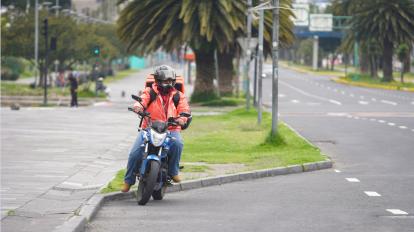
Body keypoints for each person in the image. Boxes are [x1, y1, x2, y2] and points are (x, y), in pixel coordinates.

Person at [121, 65, 191, 193]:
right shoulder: (150, 91)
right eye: (165, 81)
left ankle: (173, 171)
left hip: (171, 128)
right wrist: (138, 107)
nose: (167, 84)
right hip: (149, 128)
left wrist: (182, 119)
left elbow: (184, 109)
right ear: (158, 81)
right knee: (135, 153)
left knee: (177, 143)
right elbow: (142, 100)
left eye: (170, 81)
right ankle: (128, 181)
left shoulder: (178, 96)